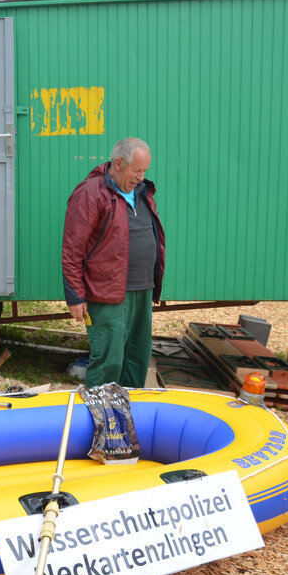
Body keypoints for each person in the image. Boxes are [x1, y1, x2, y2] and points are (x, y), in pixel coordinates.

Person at [61, 137, 165, 389]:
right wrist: (75, 296)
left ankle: (128, 417)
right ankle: (101, 418)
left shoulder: (141, 191)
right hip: (107, 293)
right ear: (118, 163)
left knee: (137, 357)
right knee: (109, 361)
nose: (141, 177)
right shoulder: (90, 192)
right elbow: (73, 248)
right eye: (136, 170)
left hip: (142, 288)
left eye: (144, 171)